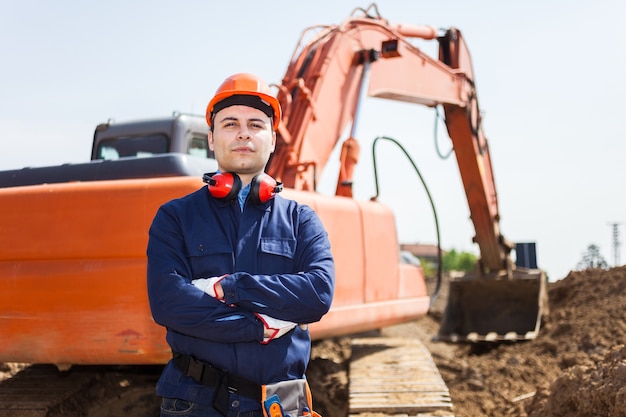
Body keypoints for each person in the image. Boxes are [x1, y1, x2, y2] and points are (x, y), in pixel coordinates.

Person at [147, 72, 335, 417]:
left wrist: (230, 287)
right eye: (230, 123)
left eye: (256, 124)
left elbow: (317, 294)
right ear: (211, 138)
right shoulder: (174, 217)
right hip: (195, 403)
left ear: (273, 139)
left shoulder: (302, 220)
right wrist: (260, 326)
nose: (244, 132)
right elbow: (168, 303)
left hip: (281, 405)